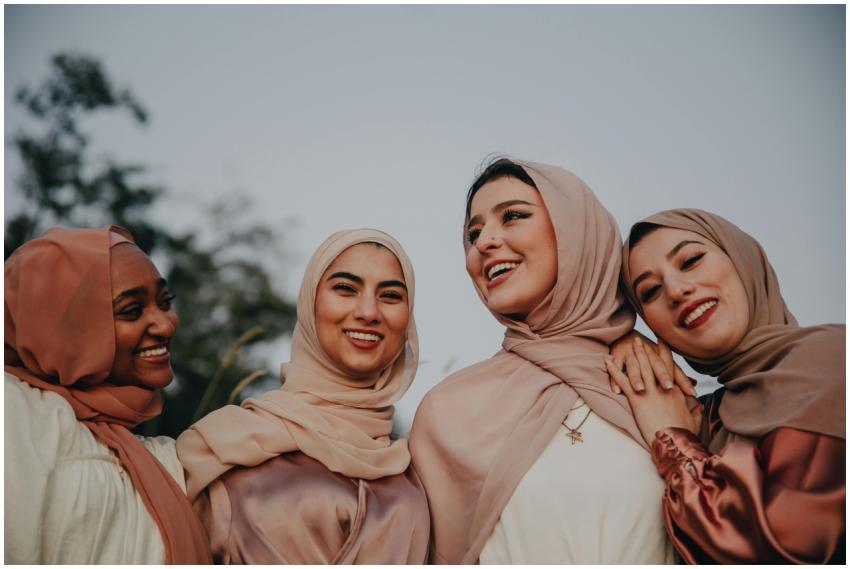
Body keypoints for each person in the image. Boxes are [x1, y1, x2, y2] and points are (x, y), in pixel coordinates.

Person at [409, 158, 677, 564]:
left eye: (513, 216)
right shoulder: (447, 412)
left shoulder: (656, 378)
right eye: (473, 233)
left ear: (576, 231)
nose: (484, 242)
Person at [176, 228, 430, 564]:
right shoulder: (223, 443)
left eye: (391, 296)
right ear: (310, 303)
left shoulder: (417, 462)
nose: (369, 311)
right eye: (345, 289)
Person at [607, 208, 845, 563]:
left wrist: (674, 444)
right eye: (651, 291)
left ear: (742, 258)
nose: (676, 290)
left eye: (690, 260)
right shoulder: (708, 414)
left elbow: (783, 548)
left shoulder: (831, 360)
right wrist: (618, 339)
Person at [4, 226, 212, 564]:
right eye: (131, 310)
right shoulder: (15, 412)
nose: (166, 325)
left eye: (165, 302)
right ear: (65, 324)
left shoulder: (152, 454)